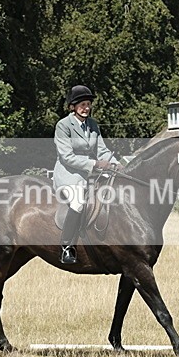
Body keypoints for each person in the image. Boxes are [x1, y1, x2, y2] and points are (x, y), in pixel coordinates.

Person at [53, 85, 120, 264]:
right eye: (82, 104)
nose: (86, 108)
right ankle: (66, 246)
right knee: (78, 202)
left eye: (88, 104)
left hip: (89, 174)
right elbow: (67, 157)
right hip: (68, 174)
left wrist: (117, 165)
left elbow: (102, 151)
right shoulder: (63, 126)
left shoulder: (93, 125)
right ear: (73, 106)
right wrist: (96, 164)